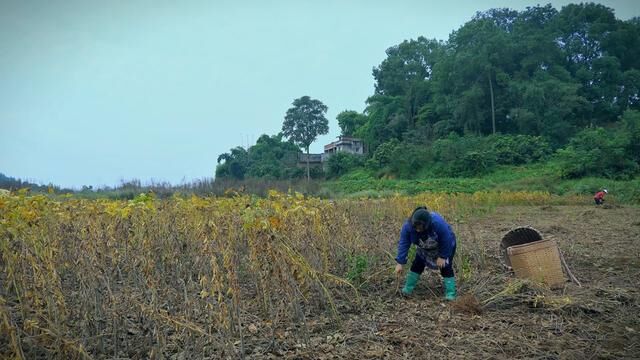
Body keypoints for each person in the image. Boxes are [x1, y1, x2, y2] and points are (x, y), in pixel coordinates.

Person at [394, 206, 457, 300]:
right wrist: (400, 262)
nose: (418, 230)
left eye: (421, 228)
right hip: (424, 247)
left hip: (443, 246)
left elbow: (447, 239)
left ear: (427, 225)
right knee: (417, 264)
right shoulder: (407, 227)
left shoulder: (437, 223)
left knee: (445, 266)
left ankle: (451, 294)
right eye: (416, 228)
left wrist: (443, 256)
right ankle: (407, 289)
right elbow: (404, 243)